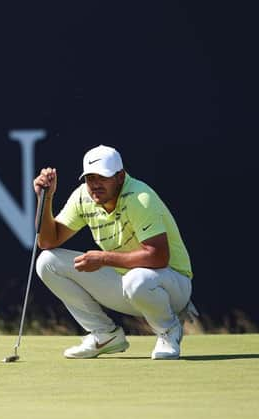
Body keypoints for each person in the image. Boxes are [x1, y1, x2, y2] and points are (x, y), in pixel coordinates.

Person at [33, 144, 198, 360]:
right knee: (47, 262)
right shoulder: (84, 197)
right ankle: (105, 335)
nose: (95, 185)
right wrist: (45, 199)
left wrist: (103, 258)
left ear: (120, 177)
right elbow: (47, 241)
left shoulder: (140, 197)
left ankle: (168, 330)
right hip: (127, 284)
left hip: (171, 286)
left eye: (103, 177)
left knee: (137, 279)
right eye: (90, 178)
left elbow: (158, 256)